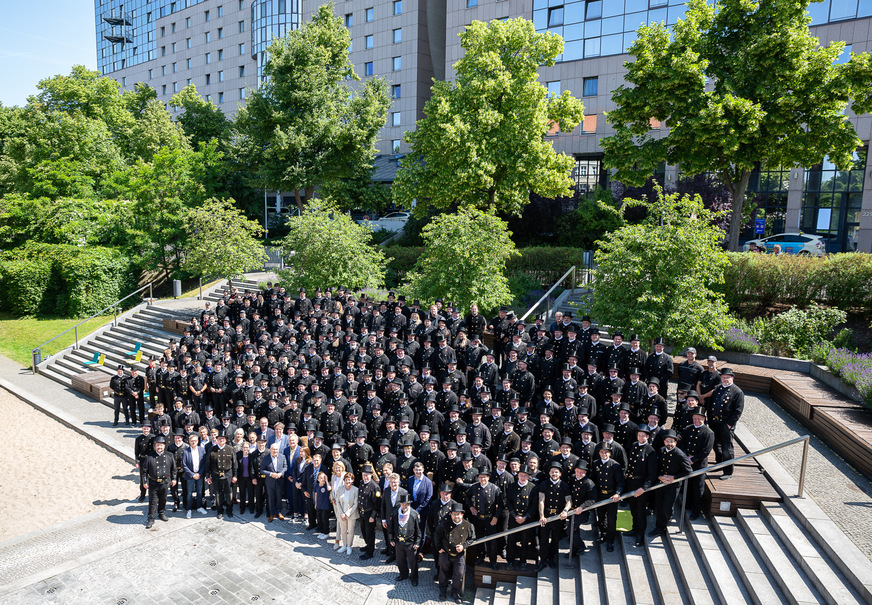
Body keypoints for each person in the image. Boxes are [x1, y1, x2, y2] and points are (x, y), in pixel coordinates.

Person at [650, 430, 692, 537]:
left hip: (673, 485)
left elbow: (688, 471)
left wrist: (674, 477)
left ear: (675, 442)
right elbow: (657, 466)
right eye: (667, 441)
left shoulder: (679, 454)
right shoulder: (661, 451)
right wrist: (659, 476)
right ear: (664, 442)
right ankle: (659, 528)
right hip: (661, 483)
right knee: (659, 506)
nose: (669, 443)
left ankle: (665, 522)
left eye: (671, 441)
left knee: (666, 508)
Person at [624, 425, 658, 546]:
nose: (641, 437)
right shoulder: (634, 445)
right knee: (633, 508)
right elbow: (630, 462)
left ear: (647, 437)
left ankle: (640, 534)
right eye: (639, 435)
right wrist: (627, 472)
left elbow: (652, 473)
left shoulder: (650, 451)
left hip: (641, 485)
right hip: (631, 483)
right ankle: (634, 528)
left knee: (640, 511)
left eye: (643, 435)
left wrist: (644, 488)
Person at [708, 367, 744, 479]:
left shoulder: (737, 392)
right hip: (714, 421)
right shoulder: (718, 388)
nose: (725, 379)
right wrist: (710, 419)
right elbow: (711, 404)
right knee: (716, 445)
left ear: (732, 378)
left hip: (726, 423)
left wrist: (729, 424)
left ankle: (728, 471)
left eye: (727, 377)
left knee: (727, 447)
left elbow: (738, 410)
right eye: (723, 377)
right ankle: (719, 464)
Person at [436, 502, 475, 603]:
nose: (456, 516)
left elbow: (472, 538)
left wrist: (464, 546)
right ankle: (443, 591)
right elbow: (437, 535)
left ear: (462, 514)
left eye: (458, 514)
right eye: (454, 514)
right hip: (446, 553)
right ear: (451, 514)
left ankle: (455, 592)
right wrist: (439, 548)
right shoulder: (445, 524)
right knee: (443, 572)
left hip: (459, 555)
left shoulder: (468, 525)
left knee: (459, 573)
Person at [465, 468, 505, 569]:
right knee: (479, 538)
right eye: (480, 477)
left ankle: (493, 561)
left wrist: (496, 517)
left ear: (488, 478)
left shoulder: (495, 488)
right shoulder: (475, 487)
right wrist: (471, 507)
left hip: (490, 518)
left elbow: (501, 505)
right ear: (478, 478)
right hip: (478, 518)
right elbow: (467, 496)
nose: (482, 479)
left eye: (484, 477)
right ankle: (481, 556)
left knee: (492, 541)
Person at [681, 407, 715, 520]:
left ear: (704, 419)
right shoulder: (688, 428)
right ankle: (687, 504)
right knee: (688, 485)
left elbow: (706, 450)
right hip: (687, 461)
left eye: (699, 418)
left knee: (698, 487)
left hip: (699, 463)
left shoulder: (708, 432)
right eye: (695, 418)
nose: (696, 420)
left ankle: (696, 511)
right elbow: (683, 443)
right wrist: (685, 456)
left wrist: (693, 459)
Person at [537, 461, 572, 570]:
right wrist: (542, 515)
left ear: (560, 474)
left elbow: (569, 501)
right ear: (549, 473)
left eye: (556, 472)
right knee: (543, 540)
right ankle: (543, 560)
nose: (554, 474)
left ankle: (551, 559)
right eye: (552, 472)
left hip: (558, 517)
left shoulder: (564, 485)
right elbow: (541, 500)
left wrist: (565, 511)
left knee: (555, 540)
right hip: (546, 516)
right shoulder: (544, 484)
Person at [590, 443, 624, 551]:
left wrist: (618, 493)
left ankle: (610, 541)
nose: (603, 454)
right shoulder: (595, 463)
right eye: (601, 452)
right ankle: (603, 534)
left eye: (606, 452)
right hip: (600, 495)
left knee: (611, 520)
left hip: (611, 496)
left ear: (610, 453)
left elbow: (620, 482)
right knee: (600, 518)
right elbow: (593, 479)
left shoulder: (615, 465)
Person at [505, 464, 536, 570]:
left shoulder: (533, 487)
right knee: (511, 540)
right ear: (518, 475)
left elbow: (533, 505)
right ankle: (510, 561)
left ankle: (523, 562)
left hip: (526, 520)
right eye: (521, 475)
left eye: (525, 475)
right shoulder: (512, 486)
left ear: (528, 477)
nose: (523, 477)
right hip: (514, 518)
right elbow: (508, 502)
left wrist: (525, 517)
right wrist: (515, 515)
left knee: (525, 541)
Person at [388, 493, 423, 586]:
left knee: (413, 562)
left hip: (410, 543)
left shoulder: (414, 514)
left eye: (406, 504)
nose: (404, 506)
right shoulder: (395, 513)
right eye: (403, 504)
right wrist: (391, 539)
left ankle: (414, 577)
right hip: (399, 542)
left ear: (409, 504)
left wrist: (417, 542)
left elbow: (419, 531)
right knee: (400, 560)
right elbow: (391, 527)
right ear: (400, 504)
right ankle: (403, 574)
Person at [143, 434, 176, 529]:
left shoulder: (169, 455)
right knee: (153, 501)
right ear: (155, 445)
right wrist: (145, 481)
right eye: (158, 445)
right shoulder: (149, 456)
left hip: (165, 482)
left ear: (164, 446)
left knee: (163, 499)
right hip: (153, 483)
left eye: (161, 445)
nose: (159, 447)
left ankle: (161, 513)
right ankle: (151, 518)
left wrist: (174, 478)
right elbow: (144, 471)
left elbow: (174, 469)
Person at [206, 428, 238, 520]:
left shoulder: (230, 449)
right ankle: (219, 511)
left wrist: (235, 475)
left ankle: (229, 510)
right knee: (218, 494)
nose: (221, 440)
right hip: (216, 475)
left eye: (223, 438)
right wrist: (208, 476)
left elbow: (235, 464)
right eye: (219, 438)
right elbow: (208, 464)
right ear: (216, 439)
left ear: (226, 440)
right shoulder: (212, 450)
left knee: (229, 493)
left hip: (228, 475)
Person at [182, 432, 208, 518]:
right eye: (192, 441)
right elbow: (184, 465)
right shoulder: (186, 451)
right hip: (190, 476)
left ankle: (199, 507)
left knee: (199, 492)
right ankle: (189, 509)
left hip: (199, 475)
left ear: (198, 441)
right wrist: (192, 474)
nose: (193, 442)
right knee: (189, 493)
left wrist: (199, 473)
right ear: (189, 442)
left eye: (195, 440)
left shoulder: (202, 450)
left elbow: (204, 463)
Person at [357, 464, 380, 559]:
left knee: (370, 533)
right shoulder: (361, 483)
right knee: (364, 531)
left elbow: (377, 503)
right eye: (363, 475)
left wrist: (373, 516)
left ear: (371, 475)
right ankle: (368, 545)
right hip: (362, 512)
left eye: (367, 475)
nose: (365, 477)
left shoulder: (375, 487)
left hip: (370, 513)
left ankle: (370, 552)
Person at [333, 472, 358, 554]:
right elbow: (337, 501)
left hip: (351, 514)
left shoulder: (355, 490)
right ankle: (344, 545)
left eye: (349, 480)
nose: (348, 481)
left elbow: (355, 504)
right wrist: (341, 513)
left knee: (350, 531)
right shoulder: (340, 489)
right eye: (346, 479)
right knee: (343, 530)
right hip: (341, 513)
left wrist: (347, 513)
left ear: (352, 480)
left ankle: (349, 546)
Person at [264, 442, 288, 522]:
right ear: (270, 449)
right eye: (273, 449)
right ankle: (272, 513)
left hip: (279, 480)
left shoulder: (282, 457)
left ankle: (279, 512)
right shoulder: (266, 458)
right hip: (270, 481)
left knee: (279, 497)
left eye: (276, 449)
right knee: (271, 498)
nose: (275, 451)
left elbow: (285, 467)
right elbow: (262, 470)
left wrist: (281, 473)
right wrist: (271, 474)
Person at [135, 423, 155, 503]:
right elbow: (136, 452)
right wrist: (137, 462)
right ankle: (142, 495)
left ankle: (152, 495)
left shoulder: (153, 437)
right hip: (143, 460)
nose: (146, 430)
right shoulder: (138, 439)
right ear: (142, 429)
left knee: (152, 478)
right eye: (144, 428)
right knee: (143, 478)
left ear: (150, 429)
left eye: (147, 428)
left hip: (151, 459)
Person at [314, 471, 332, 540]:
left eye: (324, 478)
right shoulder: (316, 485)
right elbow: (316, 495)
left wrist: (327, 481)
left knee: (325, 519)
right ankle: (321, 531)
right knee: (319, 519)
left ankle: (326, 532)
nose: (323, 479)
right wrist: (316, 503)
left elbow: (329, 488)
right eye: (321, 478)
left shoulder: (326, 485)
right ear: (318, 479)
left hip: (325, 506)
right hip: (319, 505)